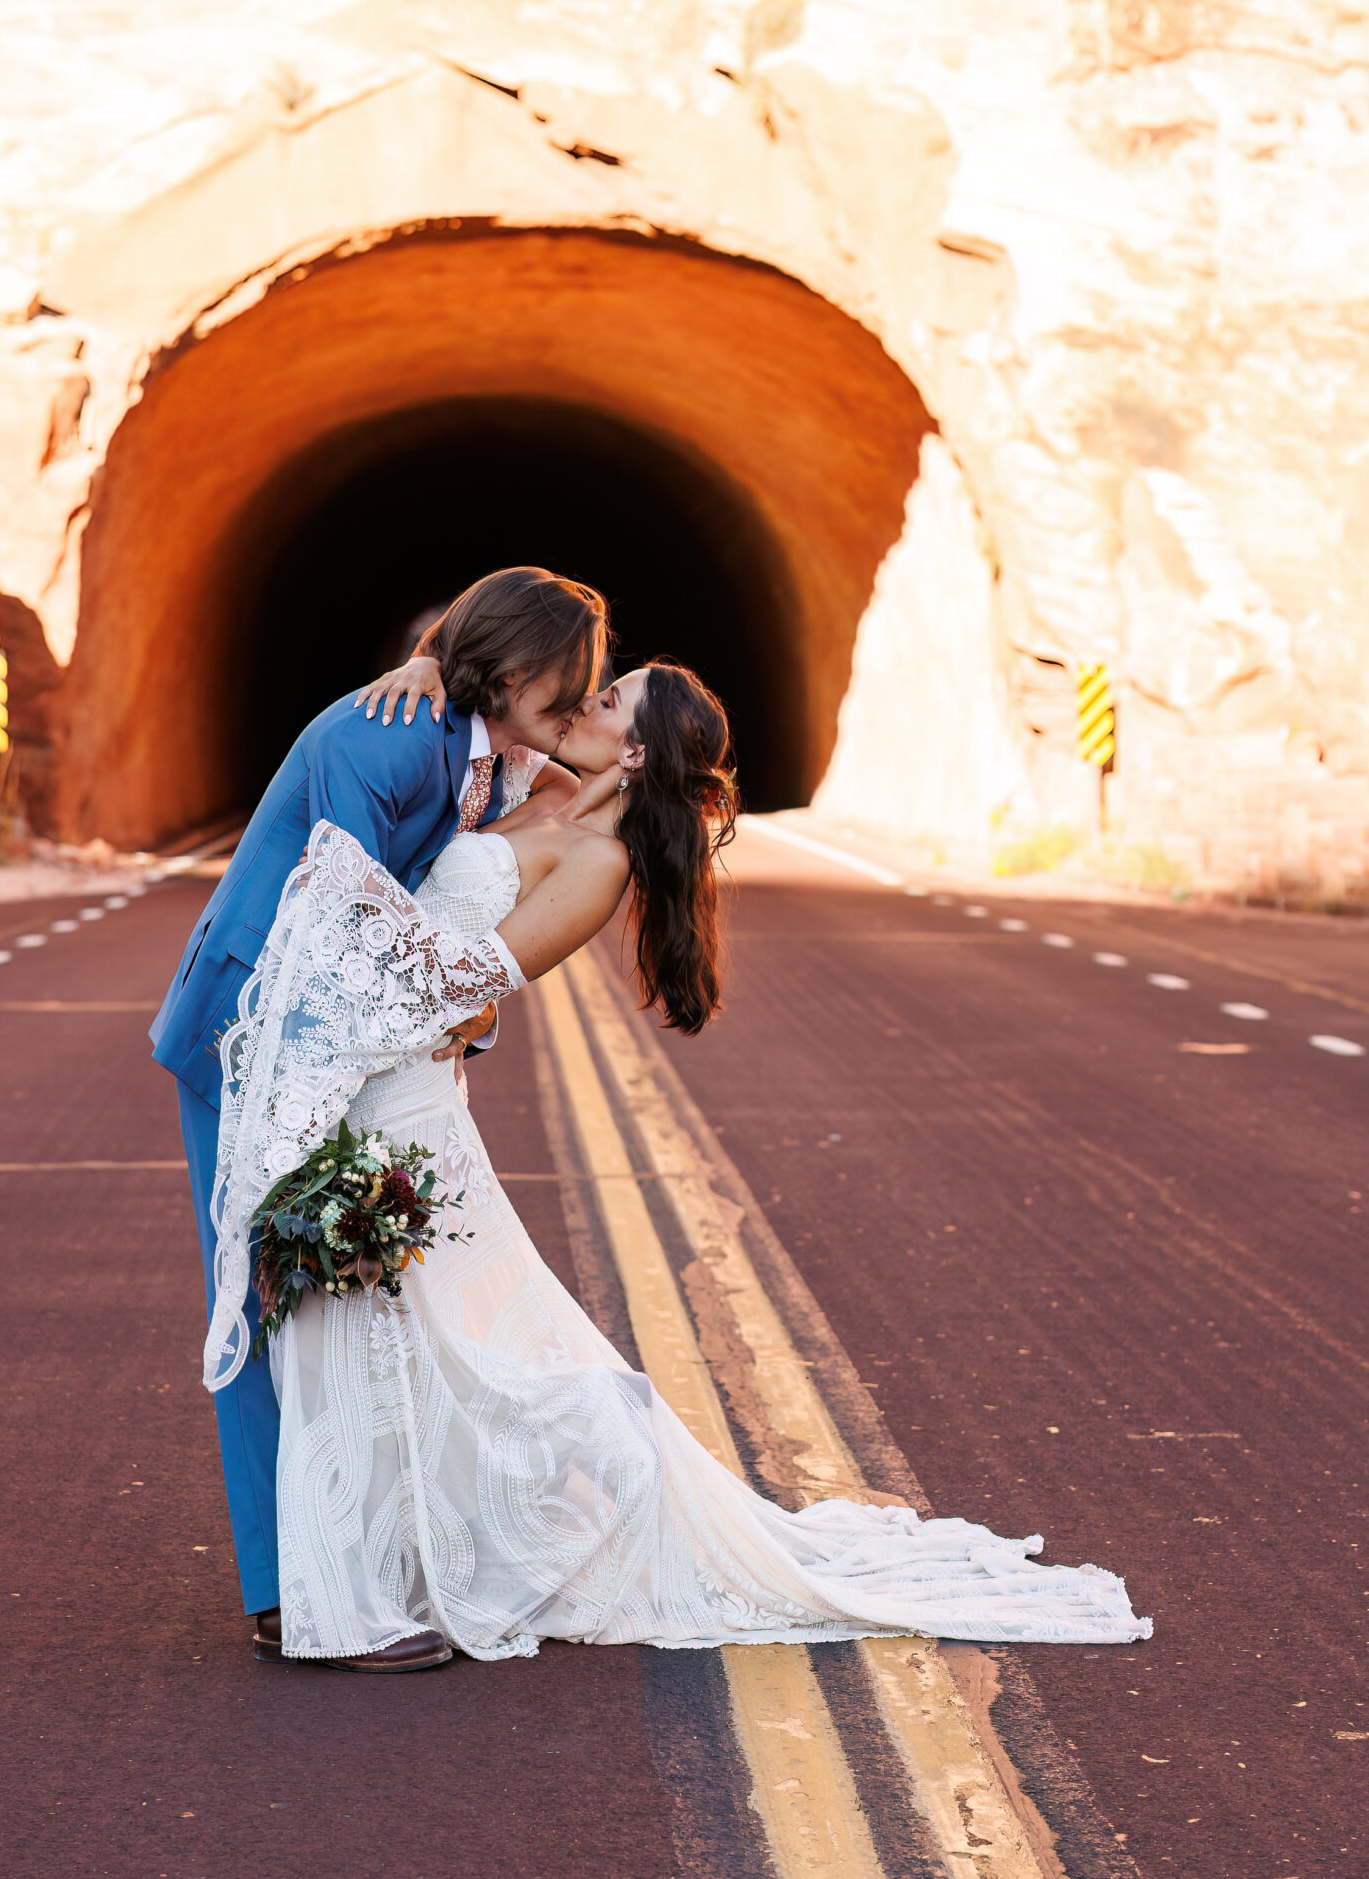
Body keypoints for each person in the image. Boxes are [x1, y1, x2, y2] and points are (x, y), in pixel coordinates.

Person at [210, 655, 1150, 1669]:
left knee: (446, 1344)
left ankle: (430, 1571)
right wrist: (430, 661)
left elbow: (473, 983)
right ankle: (368, 1575)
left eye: (606, 701)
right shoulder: (542, 785)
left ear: (640, 748)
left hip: (408, 1111)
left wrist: (353, 930)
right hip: (376, 1082)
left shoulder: (604, 860)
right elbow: (471, 724)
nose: (583, 704)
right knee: (402, 1341)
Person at [151, 566, 609, 1670]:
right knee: (271, 1298)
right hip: (252, 1032)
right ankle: (290, 1599)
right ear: (502, 673)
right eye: (572, 687)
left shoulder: (477, 748)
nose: (586, 702)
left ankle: (345, 1561)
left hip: (331, 1037)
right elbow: (339, 929)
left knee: (339, 1295)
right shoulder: (389, 739)